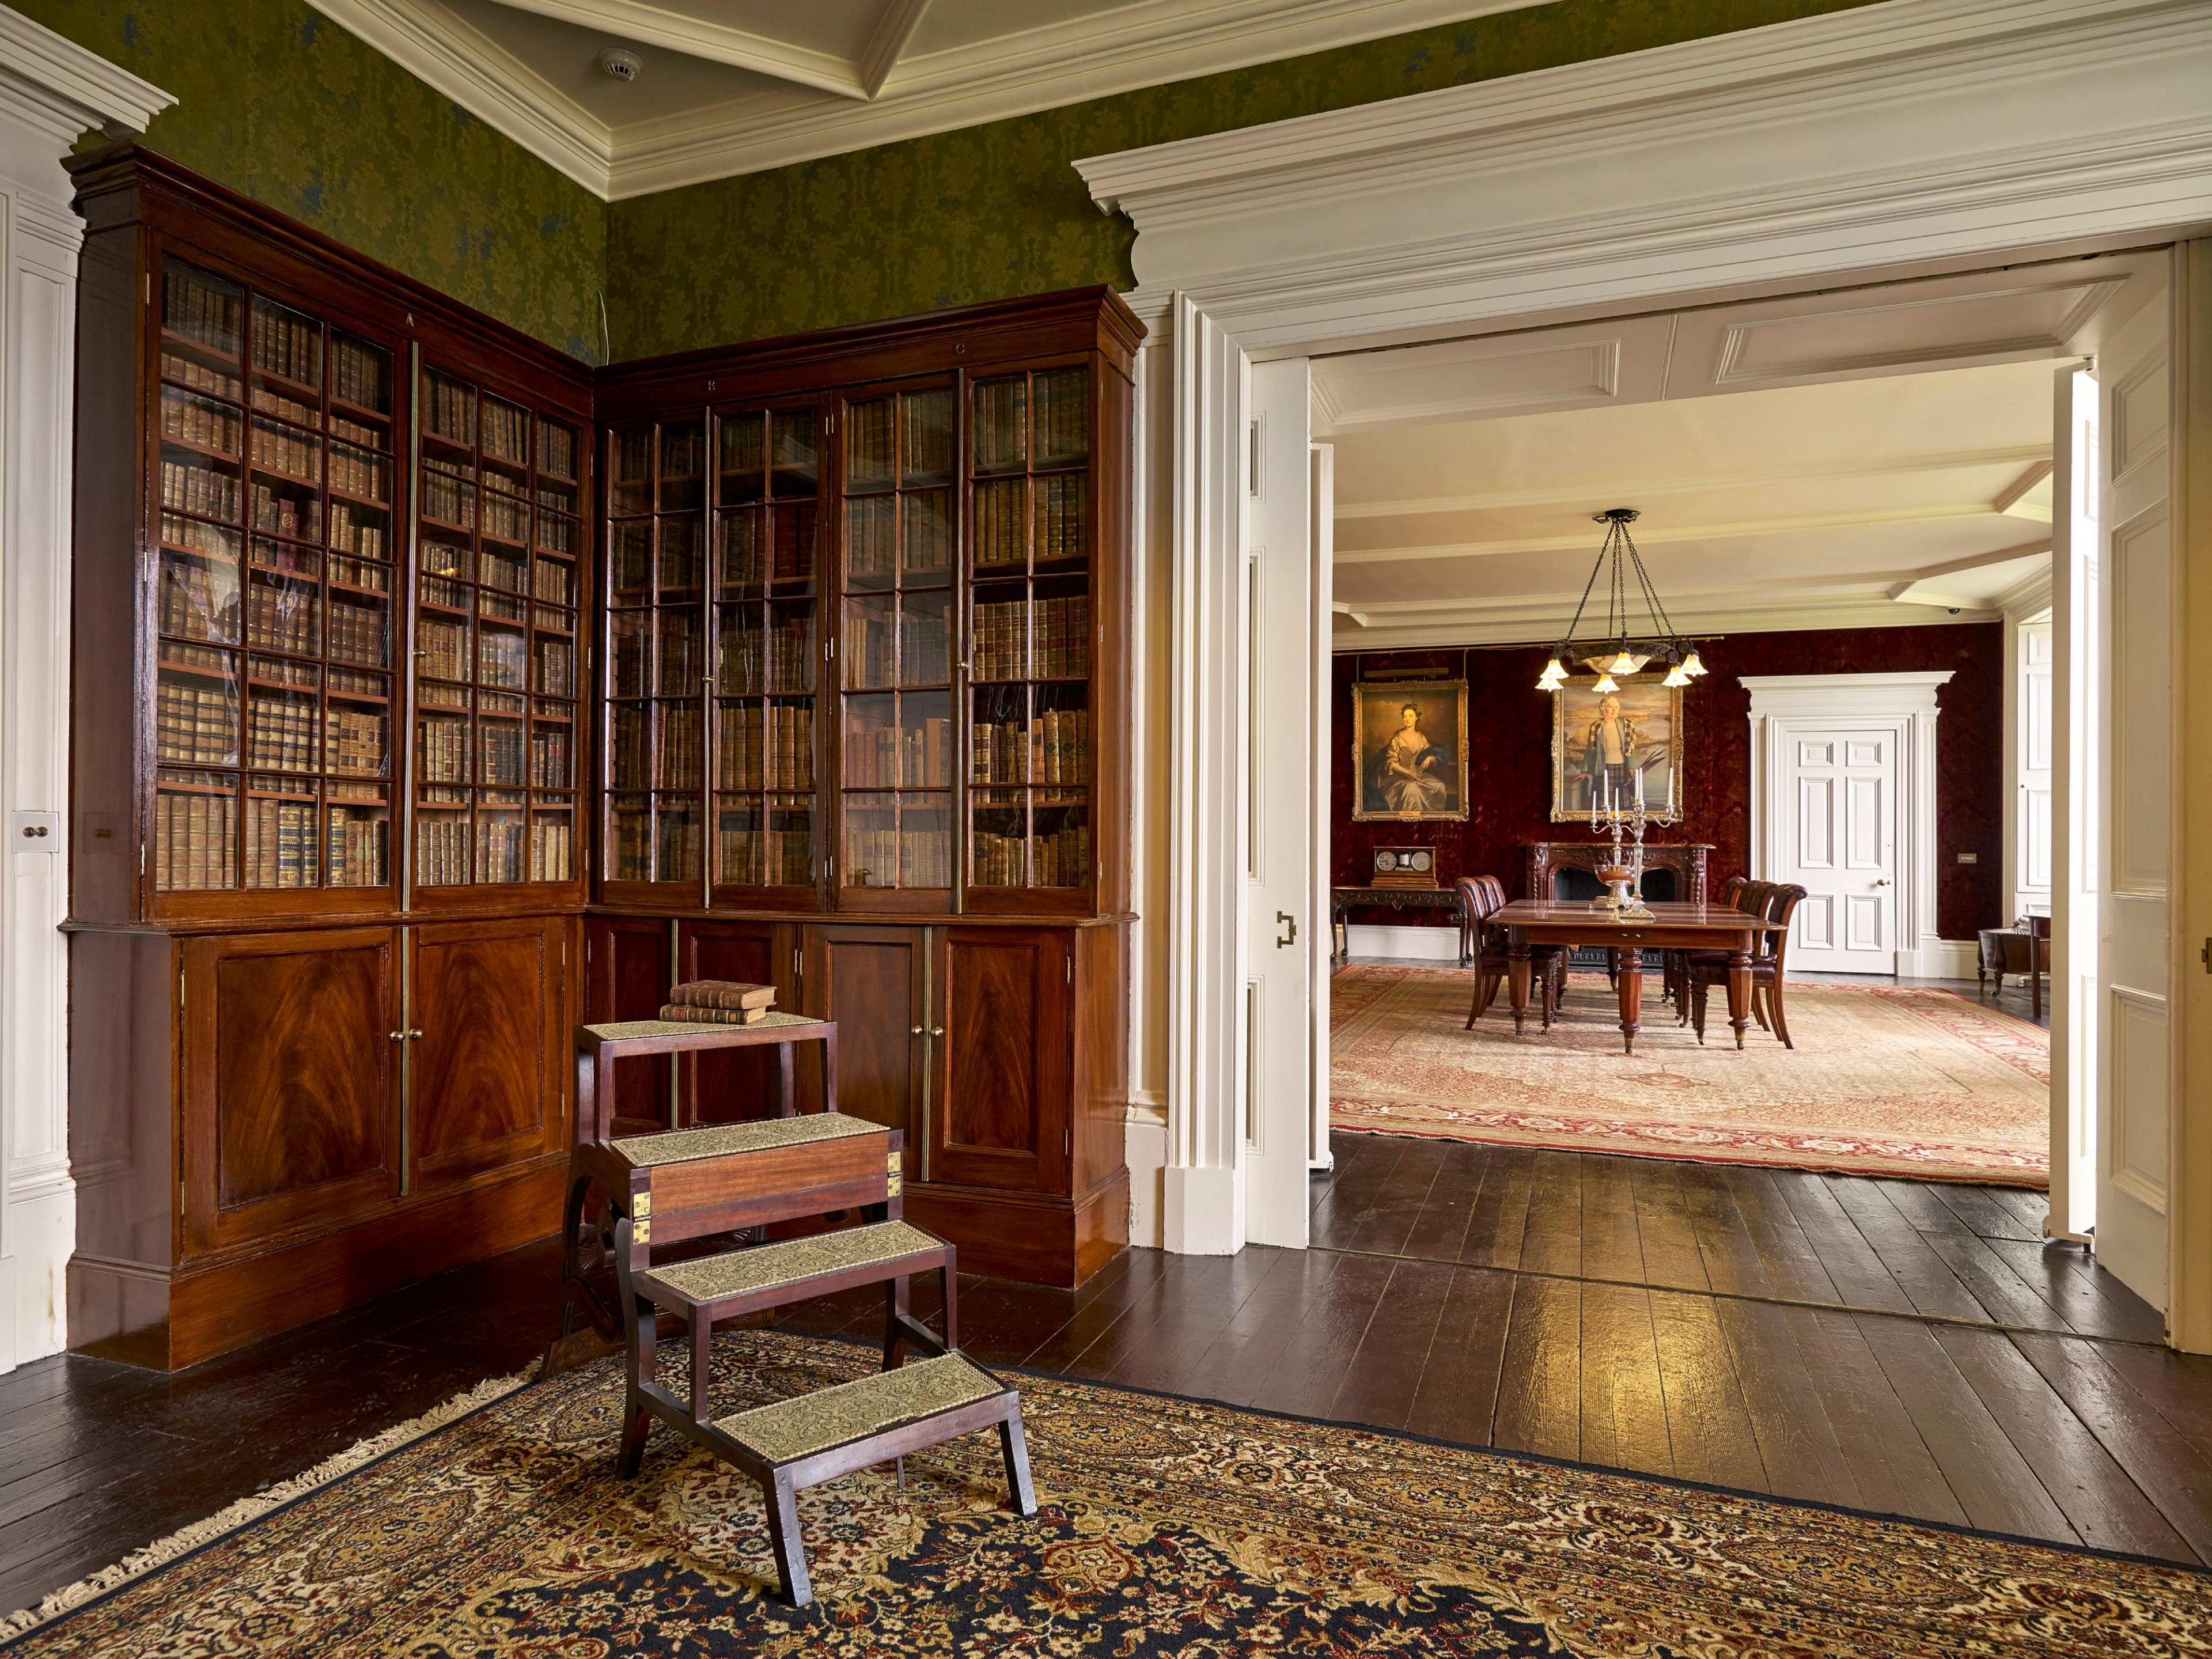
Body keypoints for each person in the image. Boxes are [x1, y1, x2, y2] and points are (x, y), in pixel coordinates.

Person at [1378, 703, 1450, 814]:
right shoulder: (1398, 738)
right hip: (1400, 775)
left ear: (1417, 717)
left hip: (1418, 773)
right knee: (1412, 789)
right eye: (1405, 716)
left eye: (1411, 716)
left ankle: (1432, 819)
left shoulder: (1421, 738)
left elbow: (1432, 753)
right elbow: (1391, 763)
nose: (1407, 719)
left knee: (1439, 787)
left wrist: (1430, 758)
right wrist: (1408, 773)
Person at [1580, 692, 1645, 810]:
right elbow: (1590, 751)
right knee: (1603, 804)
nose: (1614, 709)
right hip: (1602, 768)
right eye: (1610, 706)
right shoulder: (1596, 726)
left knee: (1622, 804)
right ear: (1603, 709)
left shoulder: (1626, 725)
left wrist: (1630, 768)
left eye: (1617, 707)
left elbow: (1631, 749)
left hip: (1622, 768)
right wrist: (1584, 771)